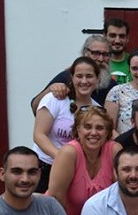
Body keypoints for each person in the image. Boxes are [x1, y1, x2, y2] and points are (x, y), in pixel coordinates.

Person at [32, 56, 100, 193]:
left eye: (89, 76)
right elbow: (39, 135)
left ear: (97, 80)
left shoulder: (97, 109)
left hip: (75, 170)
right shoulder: (55, 99)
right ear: (72, 78)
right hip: (45, 166)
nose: (84, 81)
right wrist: (62, 158)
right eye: (79, 76)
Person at [48, 106, 121, 215]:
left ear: (107, 132)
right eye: (87, 127)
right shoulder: (69, 153)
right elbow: (56, 198)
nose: (93, 133)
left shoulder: (114, 150)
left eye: (100, 128)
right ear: (78, 131)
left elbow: (122, 192)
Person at [29, 34, 115, 114]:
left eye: (105, 54)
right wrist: (51, 89)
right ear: (85, 53)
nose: (101, 59)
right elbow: (35, 107)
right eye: (95, 53)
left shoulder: (112, 86)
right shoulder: (67, 76)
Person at [105, 17, 131, 84]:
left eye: (122, 36)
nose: (117, 41)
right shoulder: (99, 62)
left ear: (127, 38)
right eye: (112, 36)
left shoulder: (134, 62)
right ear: (105, 36)